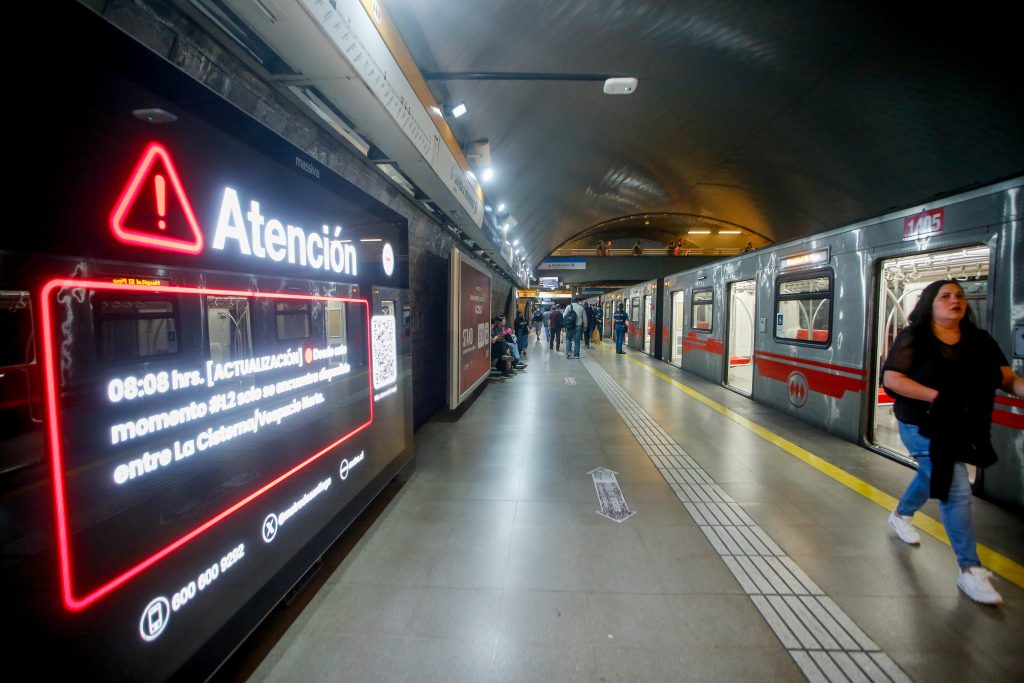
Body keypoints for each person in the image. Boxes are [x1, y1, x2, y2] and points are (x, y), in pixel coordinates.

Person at [882, 280, 1024, 606]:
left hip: (961, 426)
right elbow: (892, 378)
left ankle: (901, 514)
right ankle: (969, 569)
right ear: (930, 303)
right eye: (945, 296)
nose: (954, 300)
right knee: (956, 485)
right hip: (921, 424)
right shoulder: (914, 338)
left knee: (931, 474)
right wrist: (939, 397)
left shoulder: (980, 341)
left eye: (959, 296)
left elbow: (1007, 379)